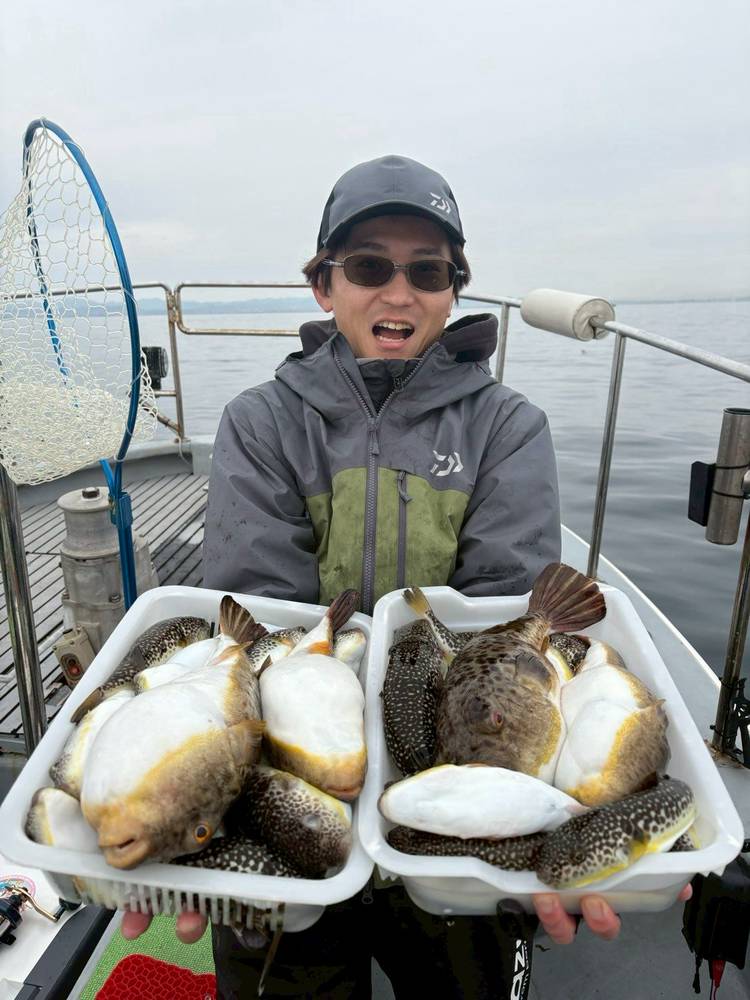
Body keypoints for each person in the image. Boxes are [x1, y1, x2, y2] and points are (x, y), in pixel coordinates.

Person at [122, 154, 689, 996]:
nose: (399, 292)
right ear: (324, 284)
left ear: (454, 289)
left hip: (459, 799)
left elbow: (502, 612)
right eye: (368, 267)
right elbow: (263, 620)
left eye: (427, 271)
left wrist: (531, 818)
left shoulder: (508, 426)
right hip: (300, 793)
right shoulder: (261, 422)